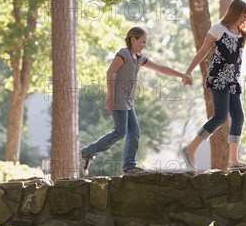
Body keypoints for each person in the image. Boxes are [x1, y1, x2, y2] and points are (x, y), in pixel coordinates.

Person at [180, 0, 246, 171]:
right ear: (235, 13)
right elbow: (203, 51)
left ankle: (233, 160)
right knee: (220, 117)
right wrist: (188, 71)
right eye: (243, 16)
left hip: (233, 81)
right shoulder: (218, 28)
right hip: (218, 78)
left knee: (239, 117)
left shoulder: (243, 35)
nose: (244, 20)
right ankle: (190, 149)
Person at [81, 26, 192, 176]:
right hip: (119, 96)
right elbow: (110, 72)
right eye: (143, 41)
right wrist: (110, 95)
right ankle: (89, 151)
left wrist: (182, 75)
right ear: (133, 39)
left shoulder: (139, 58)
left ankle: (128, 166)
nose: (144, 45)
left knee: (134, 132)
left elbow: (160, 68)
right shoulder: (124, 54)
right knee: (120, 132)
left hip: (128, 100)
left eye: (146, 42)